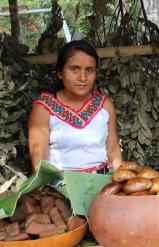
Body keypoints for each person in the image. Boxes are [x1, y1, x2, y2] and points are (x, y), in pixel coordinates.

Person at [28, 40, 122, 173]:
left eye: (89, 70)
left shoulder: (105, 105)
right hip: (60, 186)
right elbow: (39, 163)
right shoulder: (44, 108)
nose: (83, 77)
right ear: (60, 73)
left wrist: (119, 186)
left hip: (102, 184)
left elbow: (113, 151)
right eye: (75, 69)